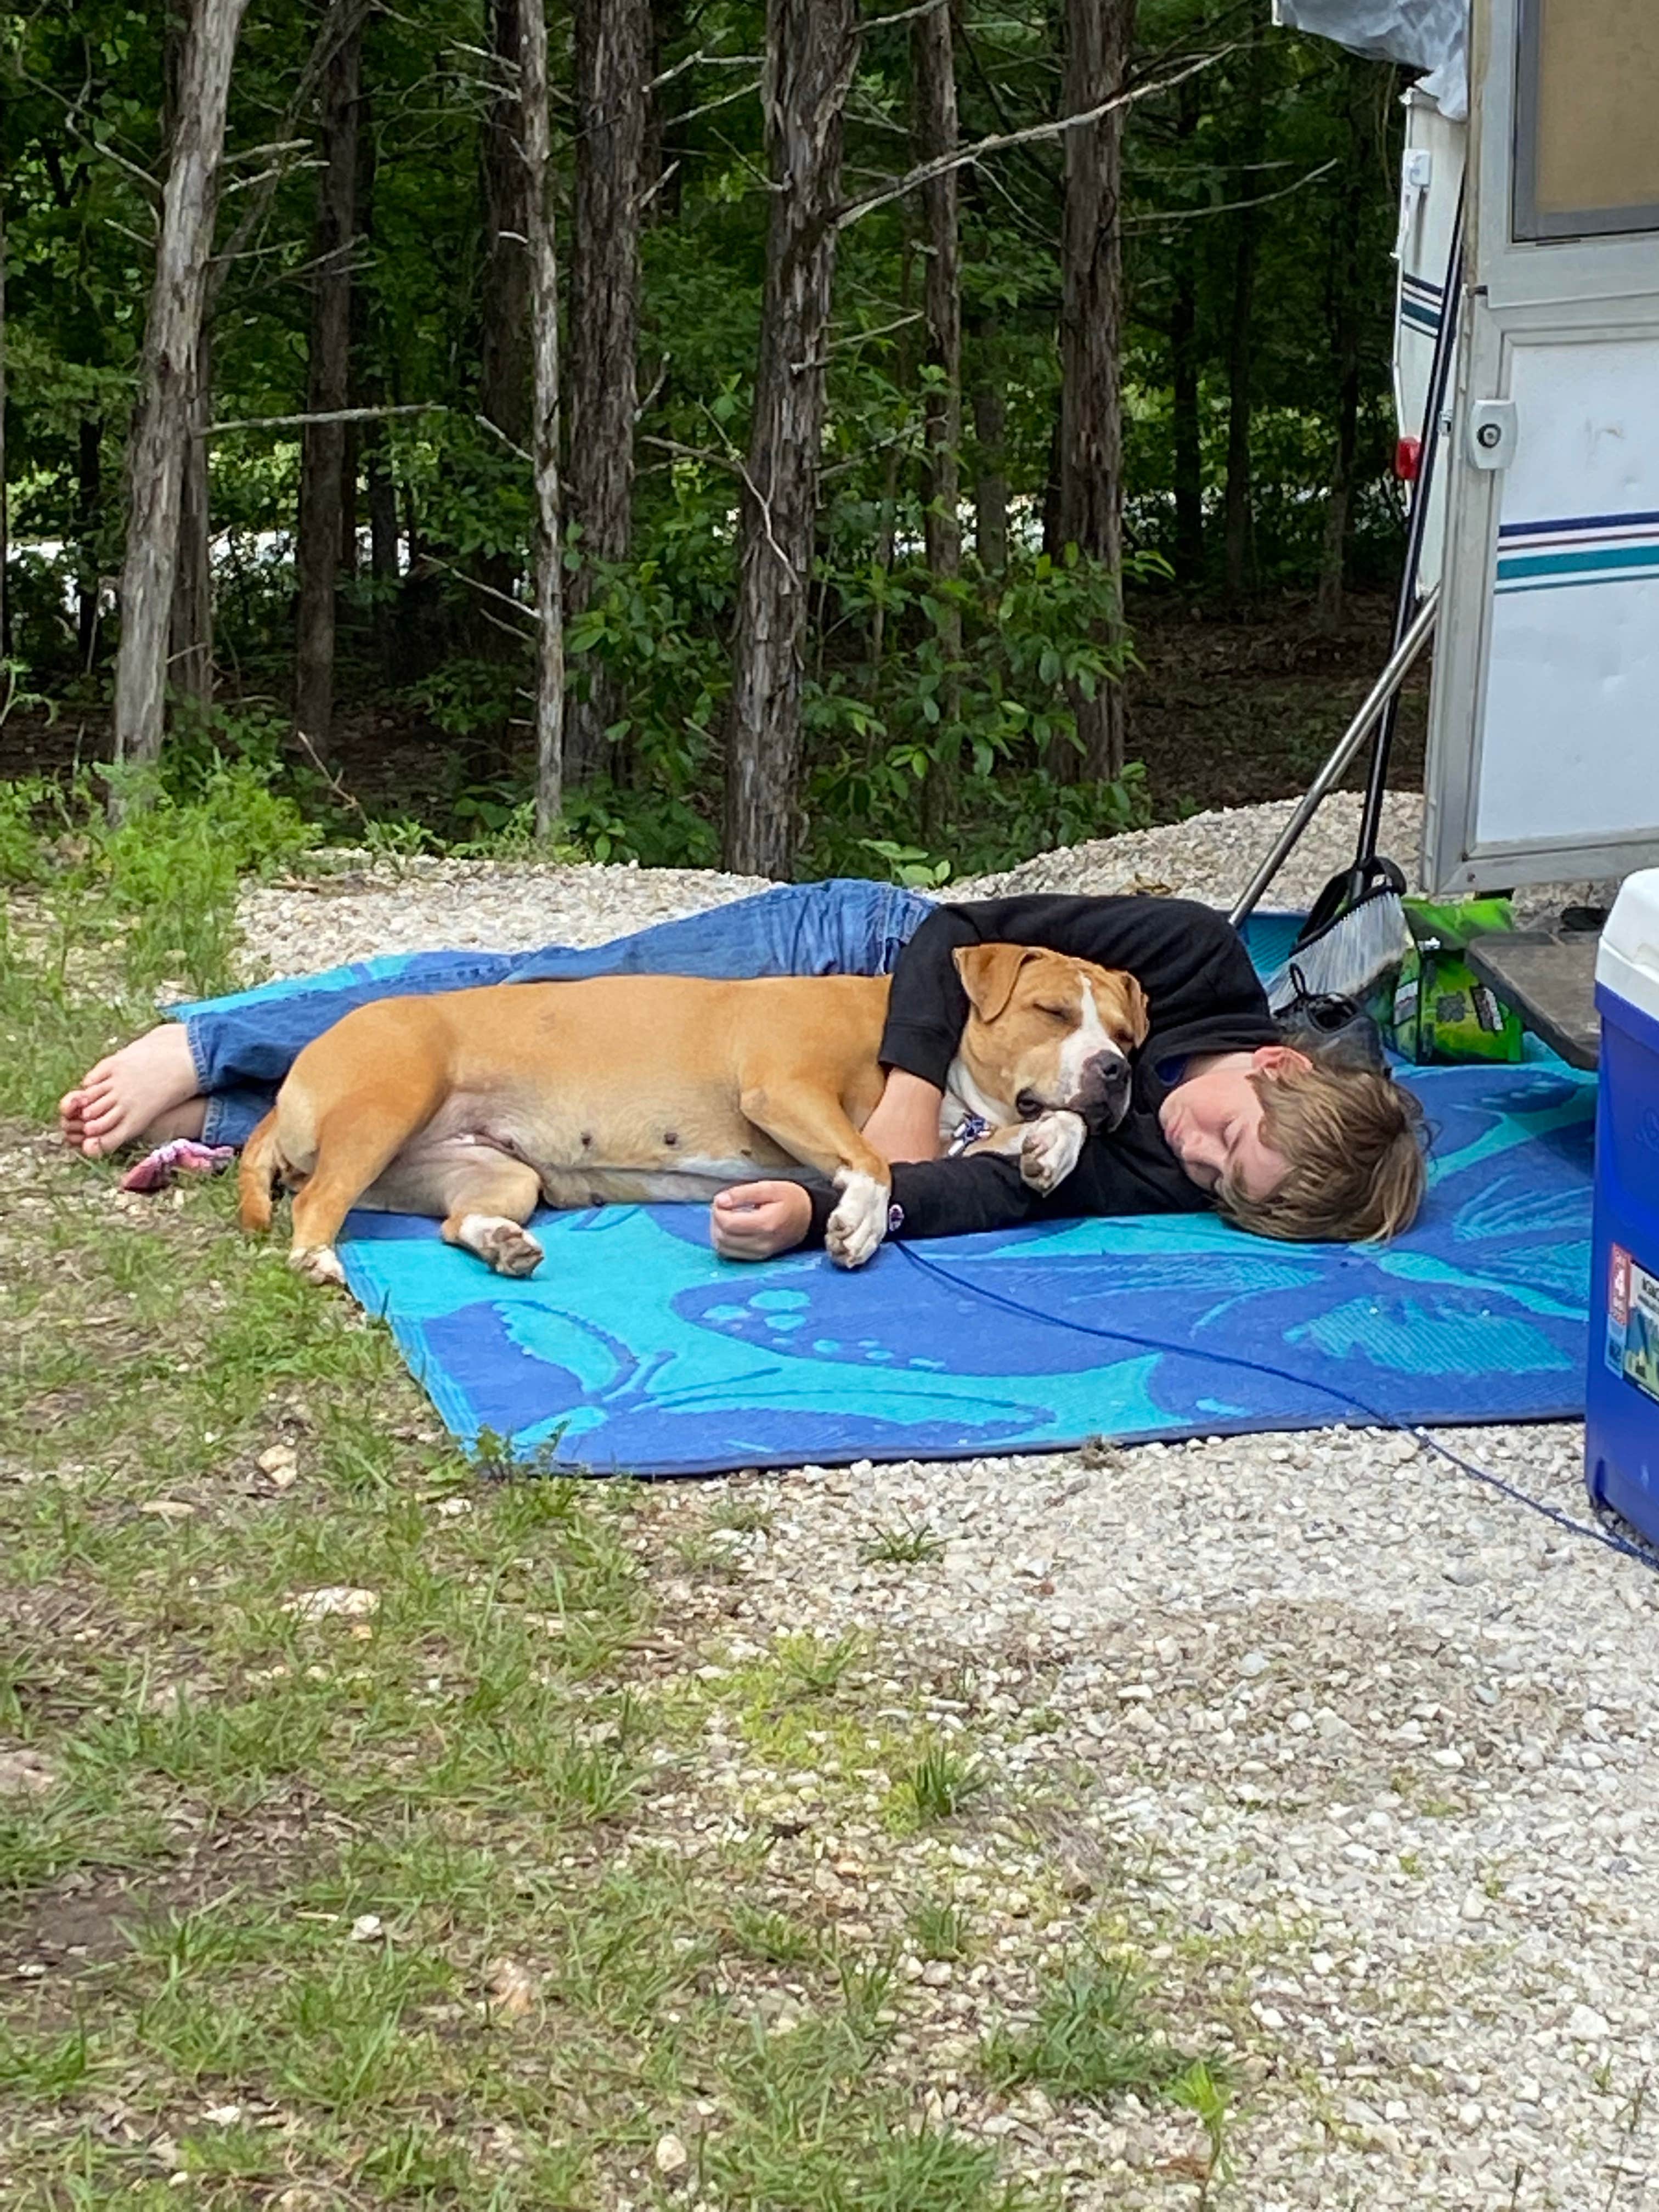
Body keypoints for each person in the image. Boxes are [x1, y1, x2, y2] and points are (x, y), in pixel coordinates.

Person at [59, 878, 1426, 1251]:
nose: (1195, 1153)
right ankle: (212, 1036)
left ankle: (241, 1110)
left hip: (836, 1098)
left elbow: (1000, 1193)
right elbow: (959, 931)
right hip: (854, 953)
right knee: (522, 994)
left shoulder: (1153, 1164)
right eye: (1230, 1133)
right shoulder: (1190, 963)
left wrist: (832, 1202)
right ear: (1282, 1070)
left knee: (507, 1088)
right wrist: (896, 1099)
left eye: (1220, 1185)